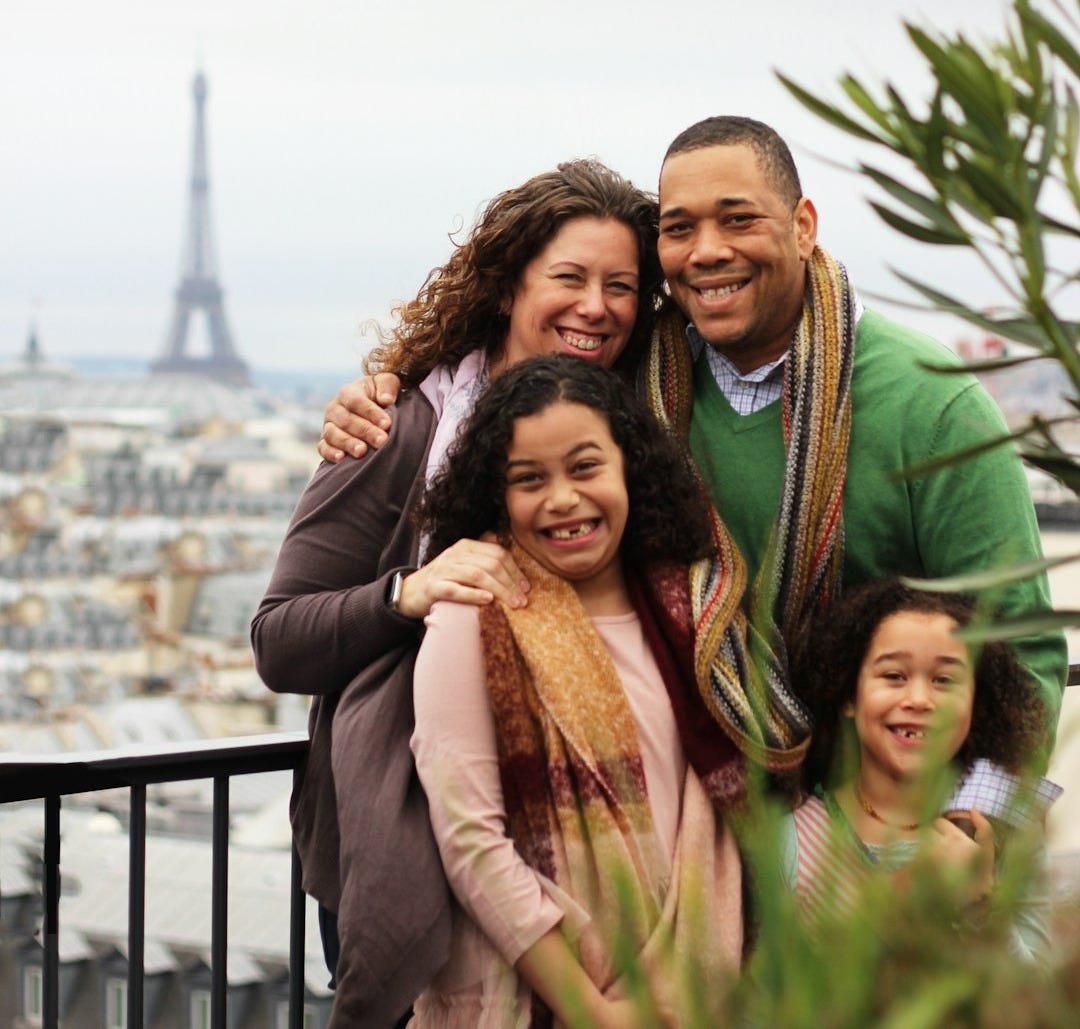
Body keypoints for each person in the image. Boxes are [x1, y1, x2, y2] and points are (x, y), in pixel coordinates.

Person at [319, 115, 1066, 754]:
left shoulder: (933, 403)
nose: (706, 250)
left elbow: (1021, 650)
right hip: (697, 819)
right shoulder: (634, 381)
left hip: (883, 829)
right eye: (679, 228)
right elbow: (519, 372)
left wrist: (977, 824)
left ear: (803, 226)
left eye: (738, 218)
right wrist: (390, 387)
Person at [251, 159, 666, 1027]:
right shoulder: (401, 425)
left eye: (622, 286)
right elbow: (280, 639)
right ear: (510, 282)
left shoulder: (637, 428)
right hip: (417, 841)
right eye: (570, 277)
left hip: (583, 850)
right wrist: (408, 590)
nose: (596, 305)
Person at [410, 354, 744, 1027]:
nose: (562, 498)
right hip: (539, 1000)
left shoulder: (698, 611)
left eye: (585, 467)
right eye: (528, 479)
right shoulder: (475, 613)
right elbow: (471, 838)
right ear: (496, 495)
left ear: (630, 468)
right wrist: (591, 1011)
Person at [785, 579, 1057, 960]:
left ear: (976, 705)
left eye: (944, 680)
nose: (919, 699)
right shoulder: (792, 838)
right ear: (849, 694)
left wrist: (979, 910)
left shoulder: (1008, 832)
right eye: (894, 675)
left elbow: (1042, 1007)